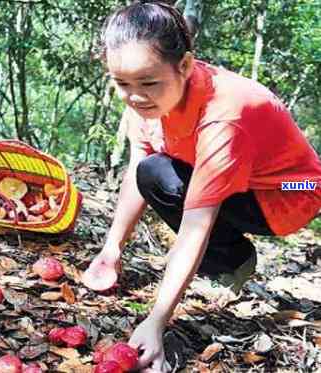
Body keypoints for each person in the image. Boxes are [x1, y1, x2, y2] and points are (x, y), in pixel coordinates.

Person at [81, 1, 321, 371]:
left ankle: (230, 263)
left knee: (166, 178)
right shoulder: (144, 98)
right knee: (152, 172)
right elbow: (137, 172)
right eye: (122, 83)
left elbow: (196, 223)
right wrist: (112, 249)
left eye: (147, 82)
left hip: (293, 190)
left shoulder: (223, 115)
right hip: (247, 178)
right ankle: (229, 256)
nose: (135, 95)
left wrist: (157, 320)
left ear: (186, 66)